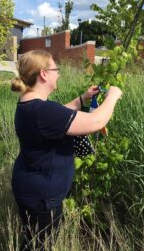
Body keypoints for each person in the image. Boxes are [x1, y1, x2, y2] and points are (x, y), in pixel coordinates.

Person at [11, 50, 122, 251]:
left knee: (32, 241)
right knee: (39, 245)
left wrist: (83, 98)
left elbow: (60, 115)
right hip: (42, 197)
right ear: (44, 74)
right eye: (56, 69)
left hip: (32, 188)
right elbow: (96, 121)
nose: (59, 74)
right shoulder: (42, 111)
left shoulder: (31, 104)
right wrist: (113, 96)